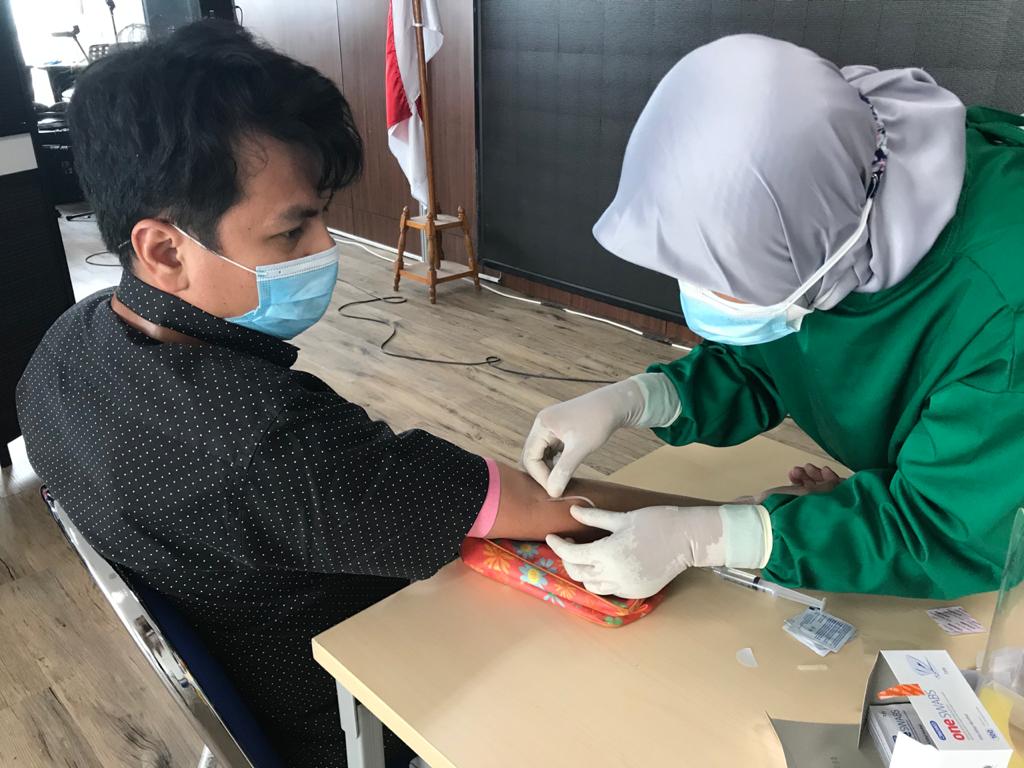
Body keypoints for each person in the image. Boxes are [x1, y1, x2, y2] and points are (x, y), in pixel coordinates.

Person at [15, 22, 712, 767]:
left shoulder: (65, 346)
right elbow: (541, 509)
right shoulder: (271, 442)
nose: (326, 249)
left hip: (248, 659)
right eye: (292, 232)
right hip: (360, 710)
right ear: (164, 250)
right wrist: (736, 522)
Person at [523, 34, 1024, 602]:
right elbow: (769, 360)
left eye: (727, 280)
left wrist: (716, 539)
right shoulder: (828, 193)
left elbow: (952, 530)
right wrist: (638, 398)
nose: (702, 296)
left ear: (829, 248)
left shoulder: (1004, 308)